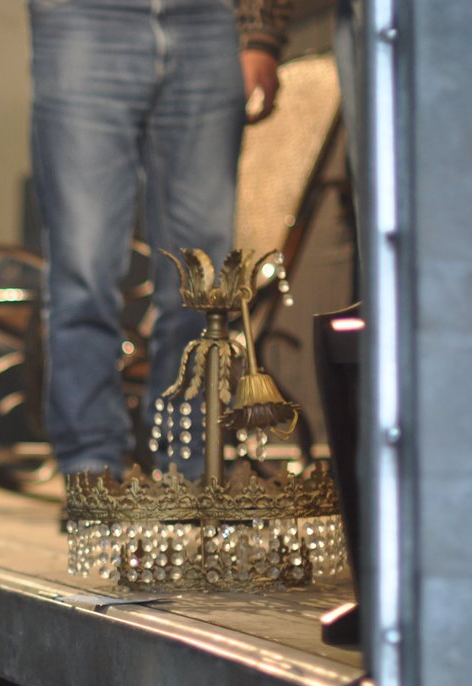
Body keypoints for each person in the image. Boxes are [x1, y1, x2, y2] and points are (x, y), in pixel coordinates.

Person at [30, 0, 292, 479]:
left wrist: (261, 35)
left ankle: (188, 470)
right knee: (83, 265)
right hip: (84, 16)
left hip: (209, 21)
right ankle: (91, 468)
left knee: (202, 276)